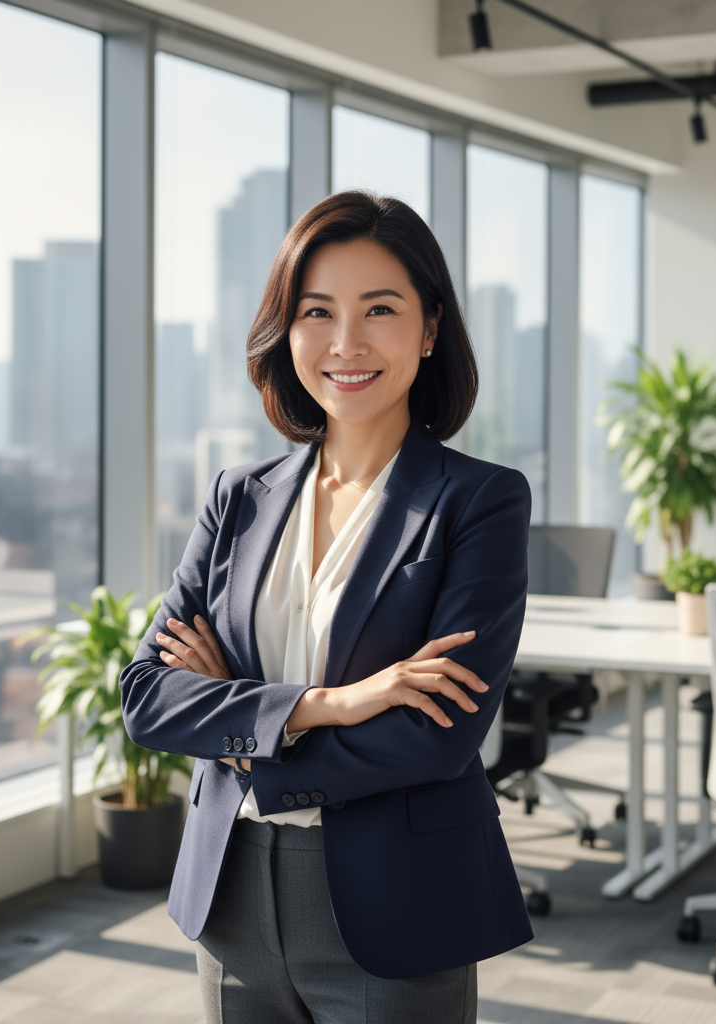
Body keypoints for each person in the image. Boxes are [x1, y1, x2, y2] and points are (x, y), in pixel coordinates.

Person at [120, 191, 532, 1023]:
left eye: (379, 309)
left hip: (393, 904)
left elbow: (436, 734)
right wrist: (331, 704)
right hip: (231, 894)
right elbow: (147, 697)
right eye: (317, 312)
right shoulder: (237, 498)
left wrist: (240, 737)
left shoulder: (478, 503)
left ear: (429, 328)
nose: (346, 343)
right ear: (288, 330)